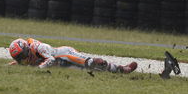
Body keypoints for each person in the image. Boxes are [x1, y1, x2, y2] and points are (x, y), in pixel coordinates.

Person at [8, 38, 138, 73]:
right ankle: (117, 71)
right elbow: (19, 65)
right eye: (19, 58)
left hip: (65, 55)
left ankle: (122, 69)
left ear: (27, 49)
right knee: (91, 72)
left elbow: (50, 60)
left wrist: (37, 70)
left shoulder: (39, 47)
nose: (23, 60)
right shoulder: (23, 60)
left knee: (92, 63)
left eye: (23, 55)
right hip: (62, 67)